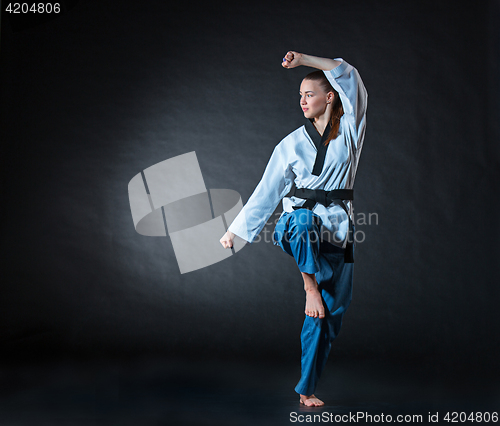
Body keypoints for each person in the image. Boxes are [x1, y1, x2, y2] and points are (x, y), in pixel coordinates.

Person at [219, 51, 368, 407]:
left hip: (337, 232)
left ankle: (306, 388)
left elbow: (350, 76)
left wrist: (303, 58)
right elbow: (267, 190)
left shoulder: (350, 130)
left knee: (329, 318)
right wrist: (235, 231)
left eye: (309, 94)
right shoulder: (289, 145)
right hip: (296, 226)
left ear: (329, 96)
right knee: (302, 222)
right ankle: (309, 286)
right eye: (299, 95)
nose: (301, 101)